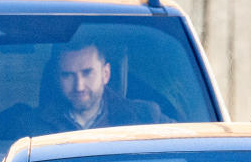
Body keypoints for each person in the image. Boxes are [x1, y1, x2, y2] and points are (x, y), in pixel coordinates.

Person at [29, 42, 171, 134]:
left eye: (87, 73)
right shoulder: (29, 128)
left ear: (105, 74)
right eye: (68, 75)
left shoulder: (145, 118)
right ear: (57, 78)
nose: (79, 86)